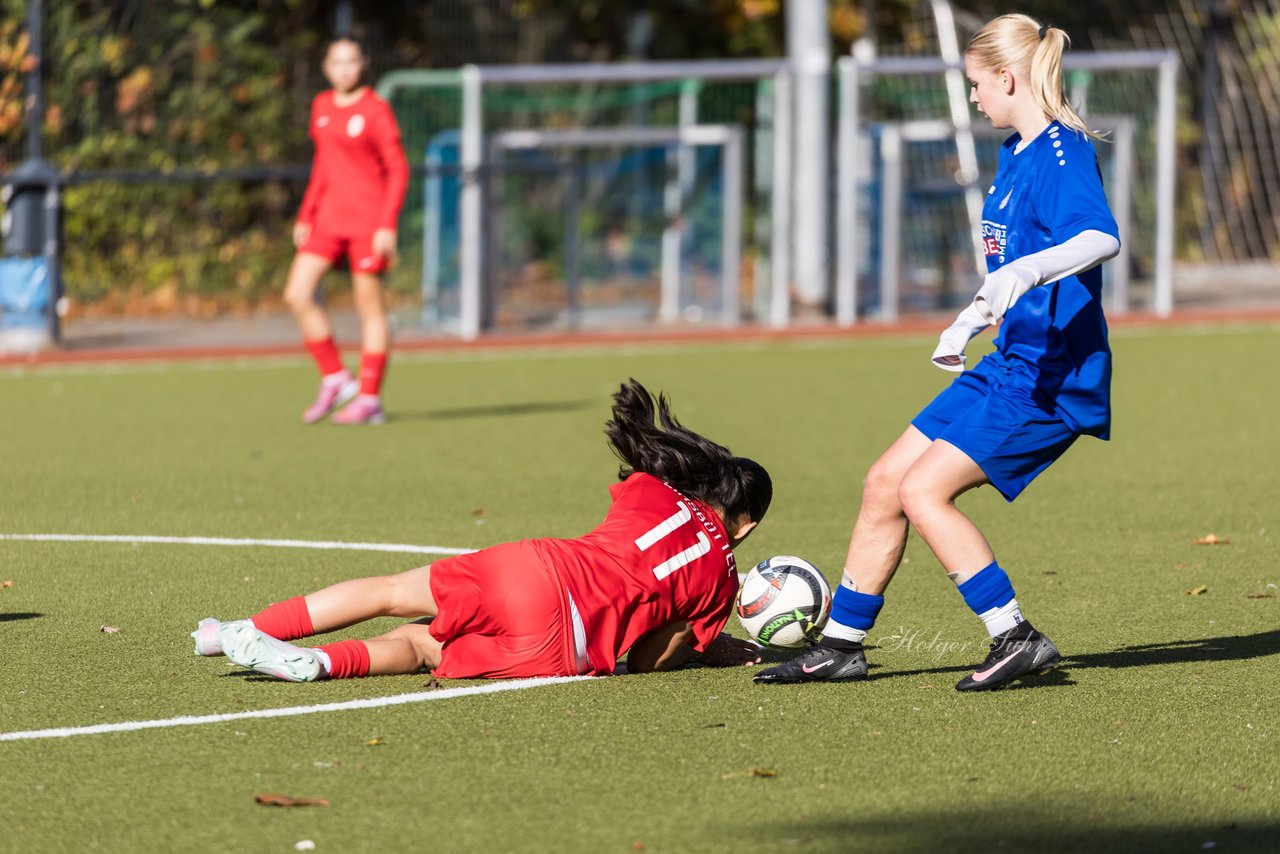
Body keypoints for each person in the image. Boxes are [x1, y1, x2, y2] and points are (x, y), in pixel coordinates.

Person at [755, 13, 1120, 691]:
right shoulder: (1015, 154)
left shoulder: (1063, 151)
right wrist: (970, 319)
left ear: (1007, 78)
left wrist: (1024, 272)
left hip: (1052, 379)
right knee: (884, 482)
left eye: (977, 83)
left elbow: (1101, 238)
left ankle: (1015, 635)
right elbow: (1012, 271)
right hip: (1010, 362)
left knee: (924, 491)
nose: (974, 96)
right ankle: (841, 646)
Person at [192, 379, 772, 681]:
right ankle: (318, 664)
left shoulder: (656, 489)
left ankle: (238, 632)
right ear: (745, 528)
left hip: (537, 570)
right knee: (421, 647)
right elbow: (646, 661)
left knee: (392, 592)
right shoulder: (722, 582)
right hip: (564, 646)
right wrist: (701, 646)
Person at [285, 34, 409, 425]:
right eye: (336, 62)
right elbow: (323, 163)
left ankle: (369, 398)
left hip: (367, 222)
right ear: (326, 67)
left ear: (363, 64)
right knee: (297, 293)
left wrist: (386, 224)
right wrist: (306, 214)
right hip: (328, 219)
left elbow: (398, 169)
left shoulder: (375, 110)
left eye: (351, 61)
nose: (344, 69)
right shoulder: (322, 105)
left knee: (369, 309)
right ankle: (336, 377)